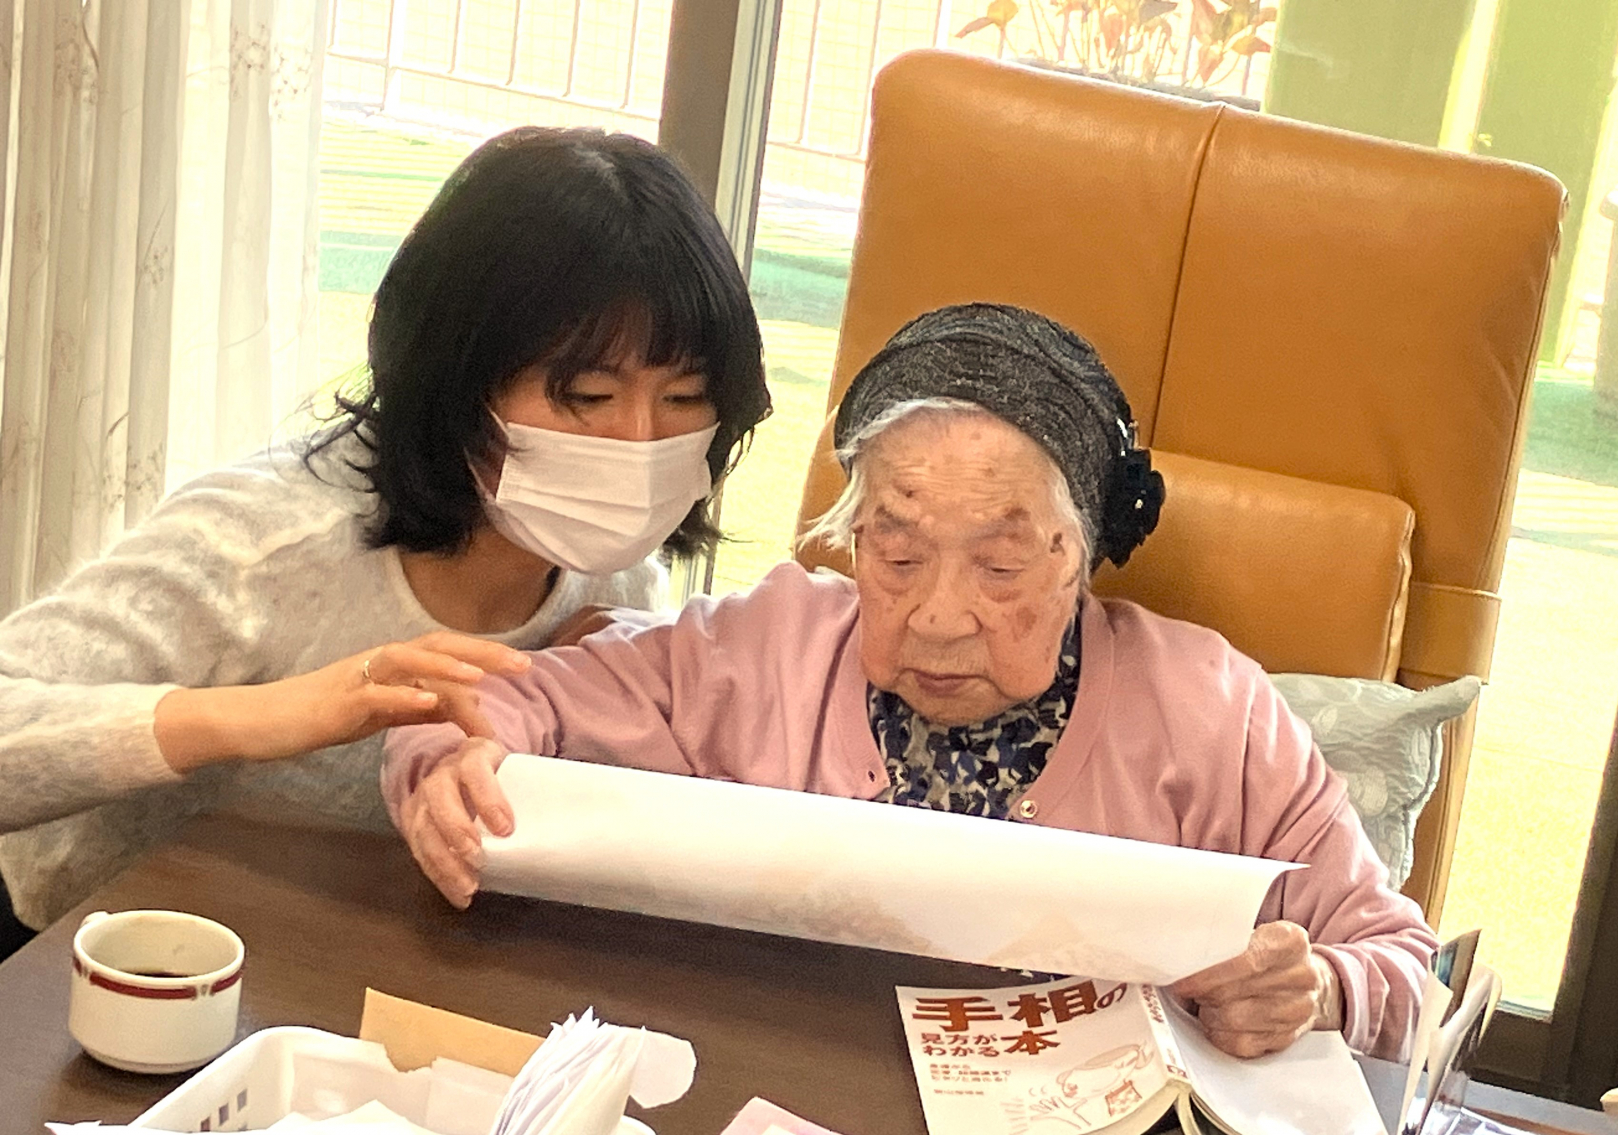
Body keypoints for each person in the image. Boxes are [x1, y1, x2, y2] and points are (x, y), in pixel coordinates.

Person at [384, 304, 1433, 1060]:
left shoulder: (1210, 711)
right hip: (785, 1108)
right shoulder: (763, 652)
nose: (938, 616)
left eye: (1001, 567)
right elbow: (499, 699)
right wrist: (449, 764)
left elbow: (1399, 963)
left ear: (1082, 556)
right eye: (895, 556)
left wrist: (1320, 991)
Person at [0, 126, 771, 944]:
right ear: (459, 381)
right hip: (81, 950)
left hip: (331, 959)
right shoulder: (261, 544)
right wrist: (258, 715)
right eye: (587, 396)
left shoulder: (619, 580)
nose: (640, 443)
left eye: (684, 399)